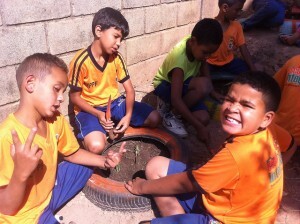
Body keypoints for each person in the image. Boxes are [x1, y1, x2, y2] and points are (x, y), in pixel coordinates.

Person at [125, 71, 296, 224]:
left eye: (246, 105)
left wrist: (141, 187)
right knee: (156, 166)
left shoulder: (236, 155)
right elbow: (292, 144)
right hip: (241, 209)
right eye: (230, 99)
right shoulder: (270, 129)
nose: (233, 108)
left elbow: (187, 184)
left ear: (266, 118)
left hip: (227, 219)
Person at [0, 53, 126, 223]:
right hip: (27, 215)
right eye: (56, 89)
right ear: (30, 83)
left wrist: (104, 161)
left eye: (63, 92)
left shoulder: (55, 119)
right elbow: (6, 208)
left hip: (51, 189)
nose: (61, 98)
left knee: (86, 164)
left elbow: (72, 154)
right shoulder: (7, 137)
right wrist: (21, 174)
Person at [69, 7, 161, 154]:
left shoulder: (116, 58)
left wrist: (128, 115)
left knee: (155, 118)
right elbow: (74, 97)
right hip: (90, 110)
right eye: (115, 36)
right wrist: (98, 114)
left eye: (121, 39)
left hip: (114, 105)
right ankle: (101, 130)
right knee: (96, 147)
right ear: (99, 31)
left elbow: (129, 90)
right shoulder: (81, 62)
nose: (118, 43)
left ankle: (115, 125)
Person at [152, 18, 223, 142]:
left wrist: (212, 92)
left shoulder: (196, 45)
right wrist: (198, 127)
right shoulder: (179, 61)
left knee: (203, 118)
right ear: (193, 41)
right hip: (165, 86)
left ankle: (176, 112)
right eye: (205, 53)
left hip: (184, 84)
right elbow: (176, 98)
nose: (207, 57)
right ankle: (170, 115)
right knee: (203, 85)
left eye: (210, 54)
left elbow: (204, 65)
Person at [207, 0, 256, 85]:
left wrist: (253, 69)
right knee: (201, 74)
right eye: (237, 10)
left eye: (240, 10)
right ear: (225, 8)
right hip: (210, 63)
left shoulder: (237, 26)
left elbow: (243, 48)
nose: (239, 13)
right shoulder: (211, 26)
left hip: (229, 63)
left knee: (251, 69)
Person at [273, 55, 300, 151]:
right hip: (279, 131)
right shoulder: (294, 62)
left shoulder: (295, 61)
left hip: (278, 130)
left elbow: (273, 87)